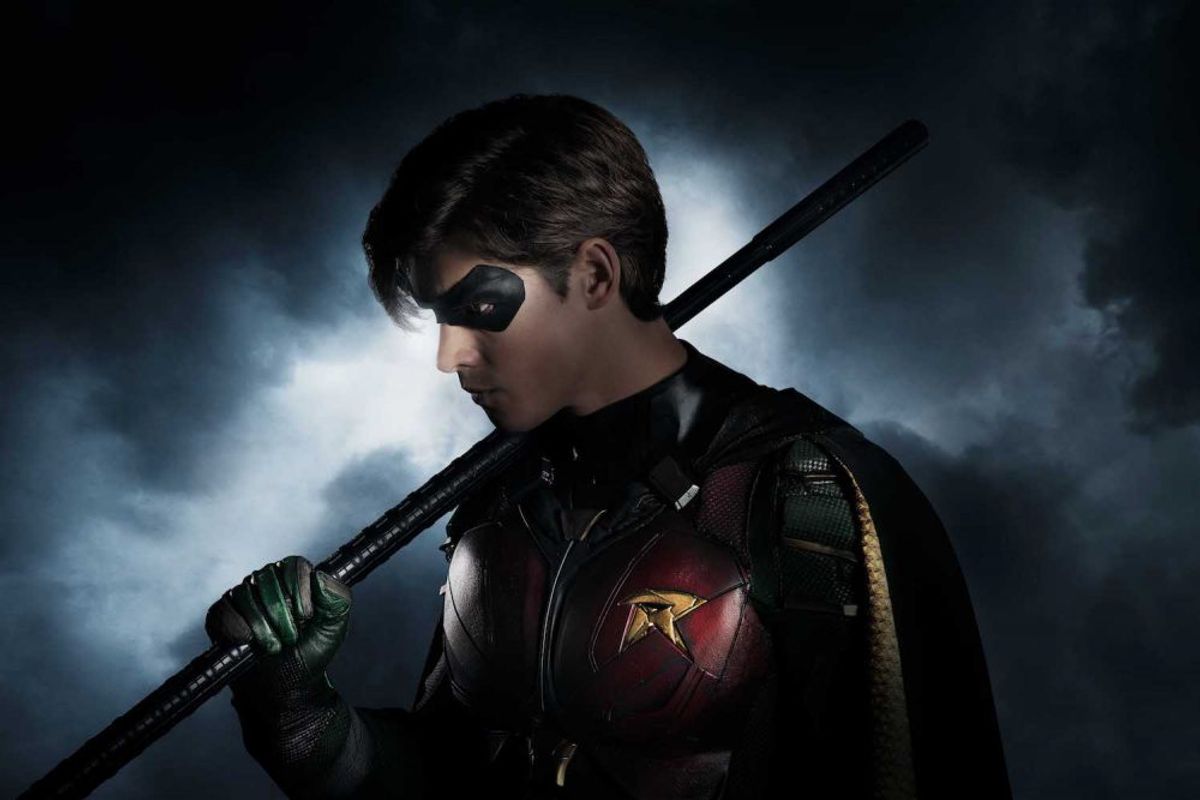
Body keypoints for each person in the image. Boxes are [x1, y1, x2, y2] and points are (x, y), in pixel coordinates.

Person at [206, 94, 1010, 799]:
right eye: (441, 320)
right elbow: (449, 777)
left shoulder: (806, 492)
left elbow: (911, 774)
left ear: (595, 274)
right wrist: (295, 709)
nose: (449, 357)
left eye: (478, 307)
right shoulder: (504, 495)